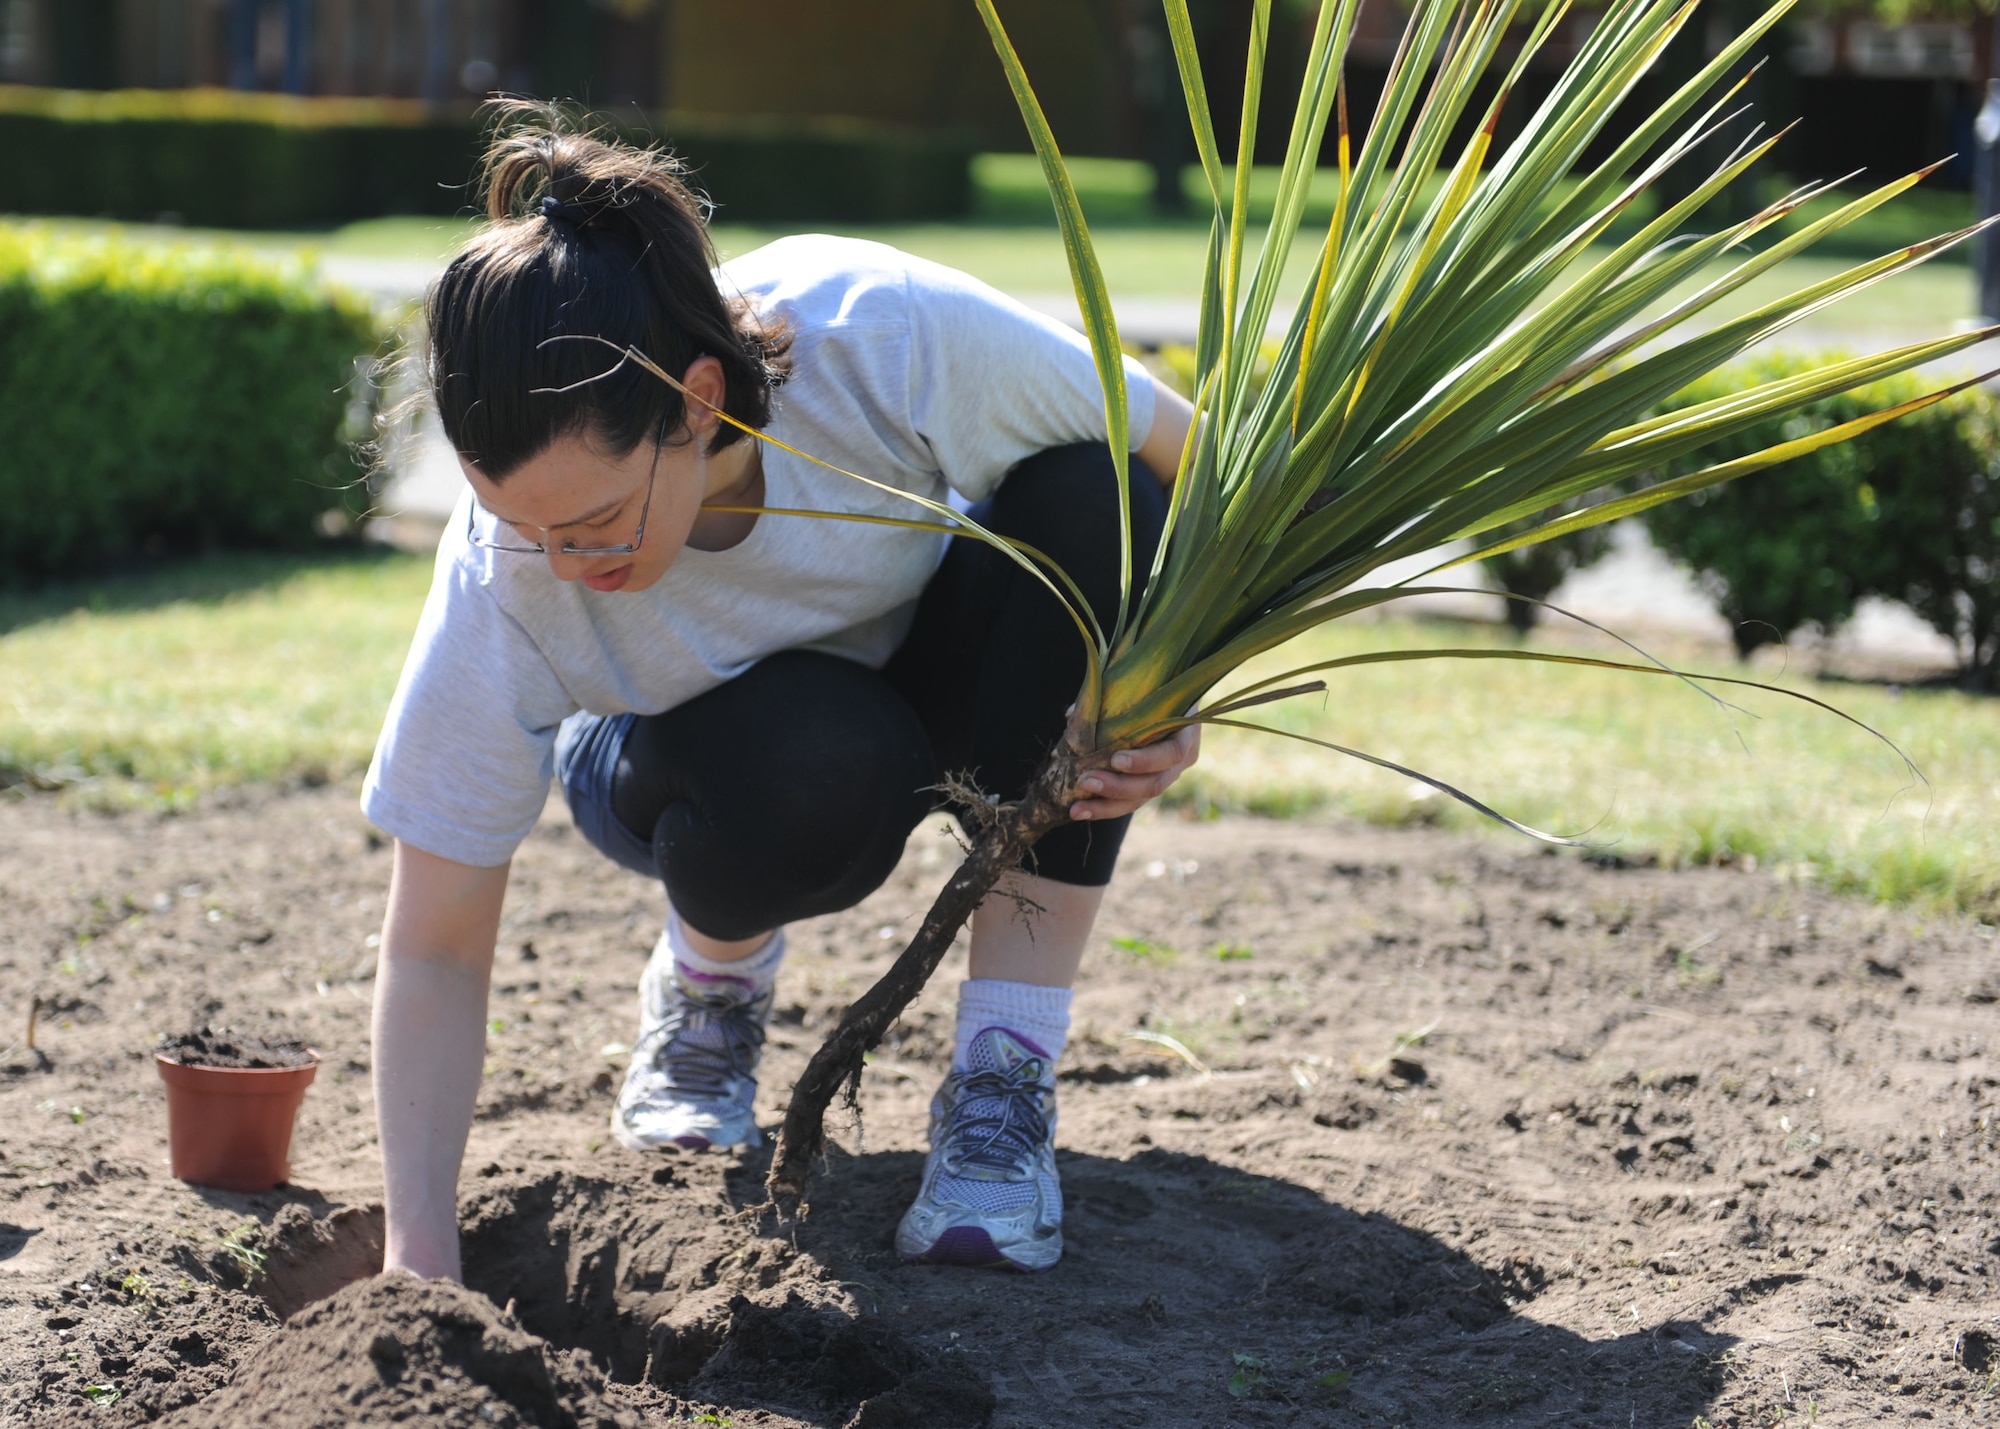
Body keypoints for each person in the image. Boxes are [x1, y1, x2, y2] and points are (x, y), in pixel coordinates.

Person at [363, 110, 1199, 1282]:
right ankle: (708, 994)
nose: (563, 563)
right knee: (814, 758)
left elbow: (1186, 454)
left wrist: (1168, 682)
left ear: (699, 399)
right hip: (670, 762)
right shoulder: (503, 580)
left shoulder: (882, 333)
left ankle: (1002, 1084)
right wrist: (420, 1253)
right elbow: (436, 947)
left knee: (1093, 496)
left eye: (594, 520)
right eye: (521, 525)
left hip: (918, 683)